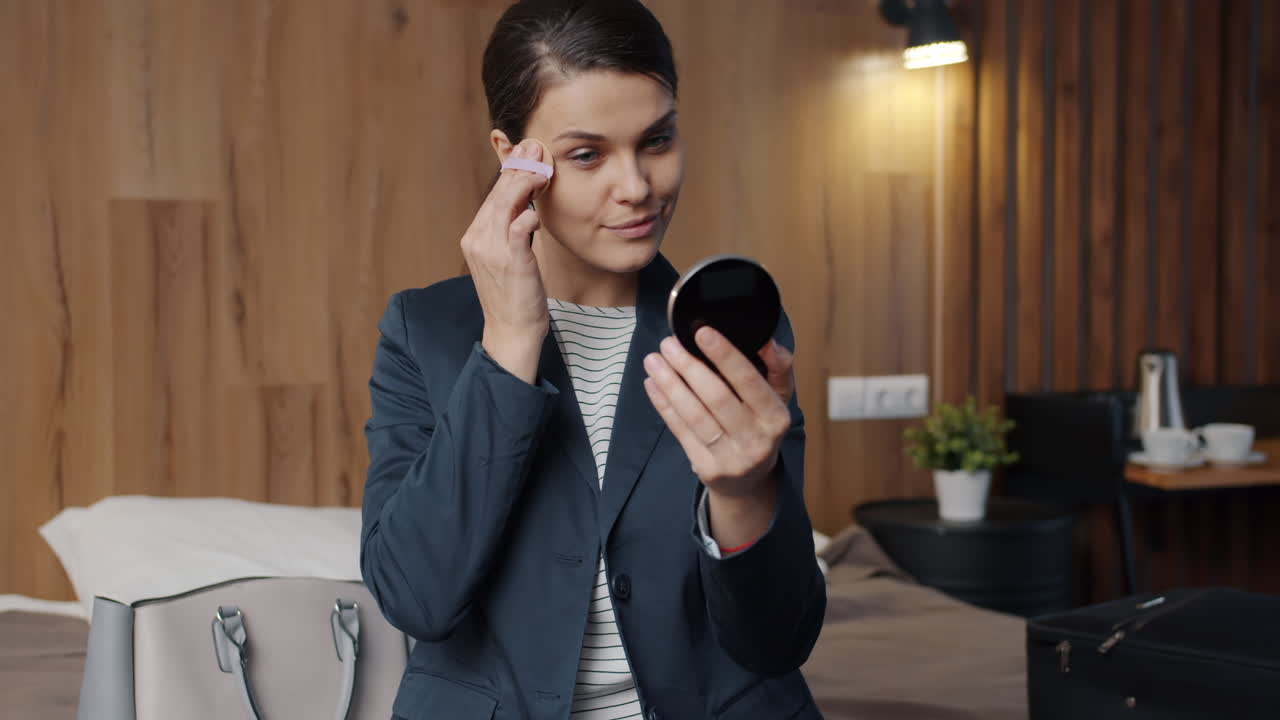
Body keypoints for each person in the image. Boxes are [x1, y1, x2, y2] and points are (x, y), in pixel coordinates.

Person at [360, 1, 826, 718]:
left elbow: (777, 641)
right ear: (512, 157)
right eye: (587, 154)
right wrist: (511, 343)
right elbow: (417, 598)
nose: (636, 186)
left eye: (657, 140)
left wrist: (744, 493)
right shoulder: (425, 330)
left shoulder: (730, 332)